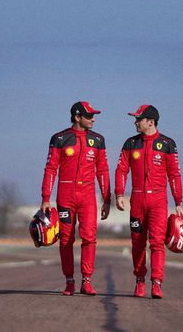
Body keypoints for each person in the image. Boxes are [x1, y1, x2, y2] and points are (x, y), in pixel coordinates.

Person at [115, 104, 183, 299]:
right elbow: (121, 170)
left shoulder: (168, 143)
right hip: (137, 200)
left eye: (139, 119)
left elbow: (174, 174)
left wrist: (178, 201)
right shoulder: (130, 143)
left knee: (157, 243)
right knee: (137, 243)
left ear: (151, 122)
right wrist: (119, 194)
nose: (135, 122)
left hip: (159, 200)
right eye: (136, 118)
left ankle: (156, 283)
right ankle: (139, 281)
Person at [41, 101, 111, 296]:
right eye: (89, 116)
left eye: (93, 116)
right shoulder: (59, 138)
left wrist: (107, 199)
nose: (93, 119)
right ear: (77, 117)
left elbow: (103, 170)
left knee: (89, 238)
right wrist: (46, 197)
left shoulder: (98, 140)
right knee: (66, 239)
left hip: (88, 197)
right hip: (65, 196)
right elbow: (50, 169)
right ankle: (69, 281)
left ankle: (86, 281)